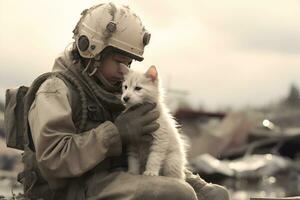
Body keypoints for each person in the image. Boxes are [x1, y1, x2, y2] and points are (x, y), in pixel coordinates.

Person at [25, 3, 230, 200]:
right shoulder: (55, 90)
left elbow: (156, 144)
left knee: (214, 195)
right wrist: (116, 133)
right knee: (178, 194)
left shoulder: (113, 88)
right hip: (75, 187)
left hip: (116, 176)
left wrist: (193, 181)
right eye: (119, 61)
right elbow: (53, 159)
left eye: (129, 62)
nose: (124, 69)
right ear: (92, 50)